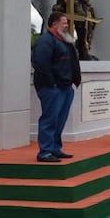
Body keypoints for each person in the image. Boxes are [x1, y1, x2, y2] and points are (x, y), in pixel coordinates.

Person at [31, 11, 81, 162]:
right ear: (54, 24)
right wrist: (51, 82)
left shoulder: (64, 40)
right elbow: (40, 63)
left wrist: (73, 80)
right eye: (64, 23)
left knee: (60, 120)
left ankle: (55, 148)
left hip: (66, 87)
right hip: (52, 88)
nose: (67, 26)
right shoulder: (46, 40)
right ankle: (45, 152)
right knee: (50, 119)